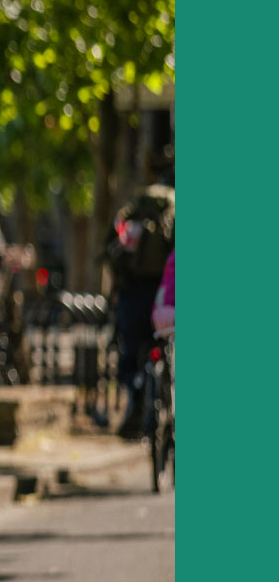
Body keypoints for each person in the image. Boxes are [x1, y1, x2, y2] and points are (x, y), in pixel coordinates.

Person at [105, 153, 176, 437]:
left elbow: (114, 245)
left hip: (133, 290)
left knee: (132, 350)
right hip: (165, 291)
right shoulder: (175, 205)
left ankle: (135, 393)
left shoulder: (136, 204)